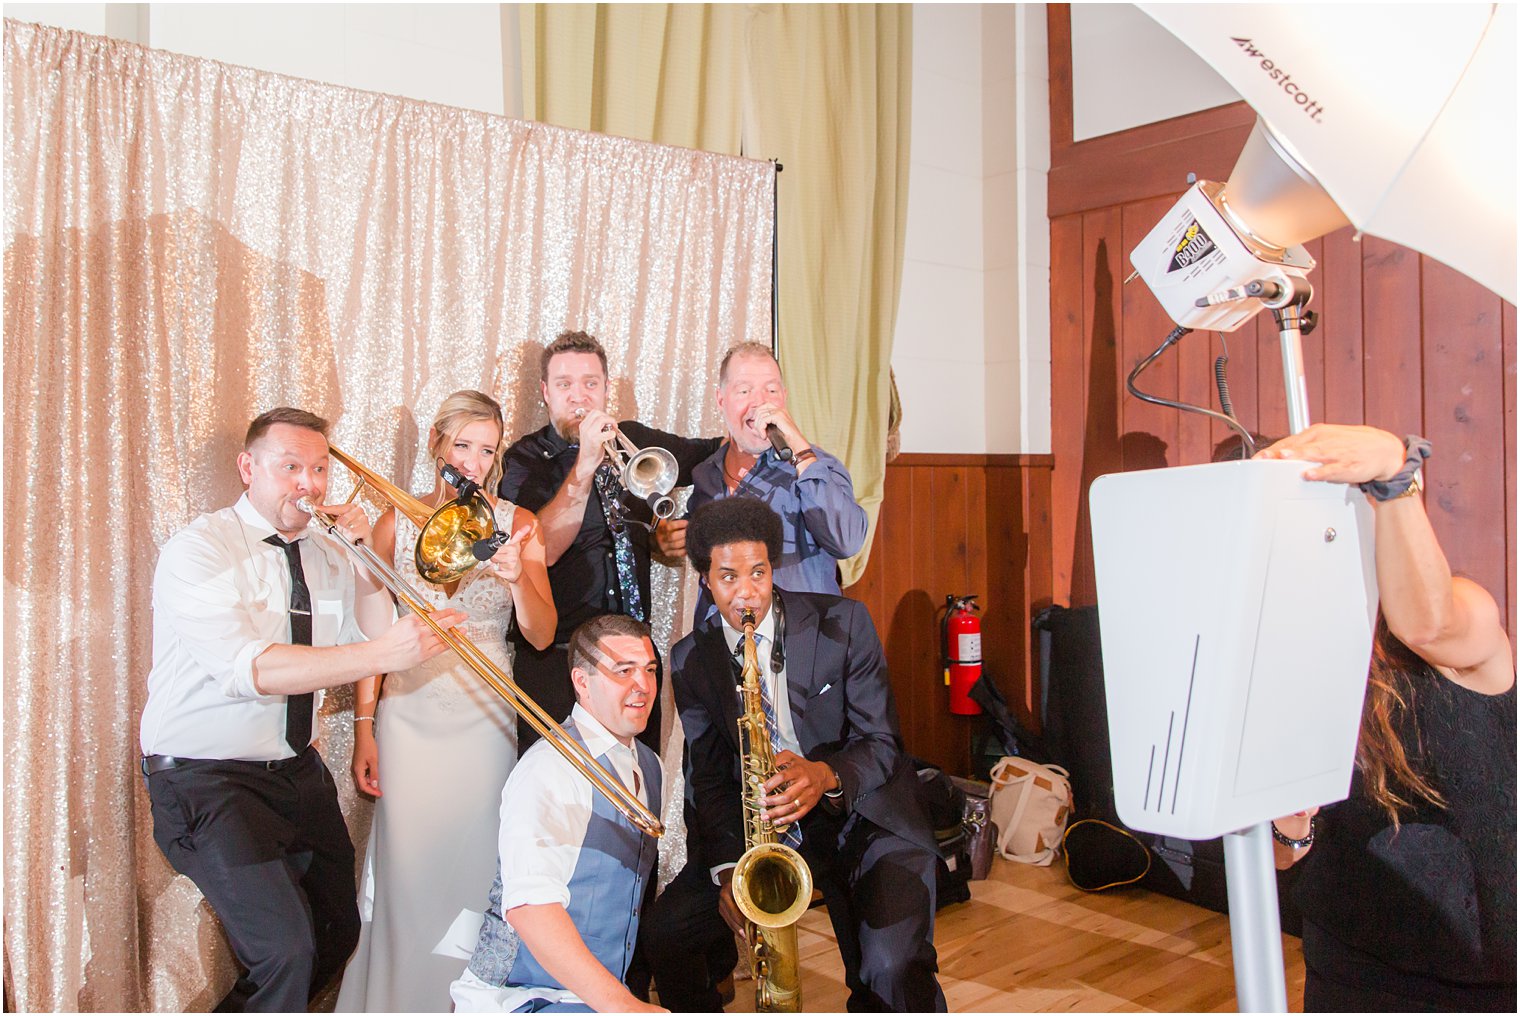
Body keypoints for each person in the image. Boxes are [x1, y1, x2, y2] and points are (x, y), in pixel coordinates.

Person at [139, 407, 465, 1012]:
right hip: (205, 778)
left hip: (294, 770)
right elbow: (253, 669)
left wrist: (366, 560)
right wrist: (380, 651)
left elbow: (371, 627)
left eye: (318, 469)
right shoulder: (199, 549)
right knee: (284, 952)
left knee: (337, 931)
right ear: (248, 468)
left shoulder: (322, 550)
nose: (308, 484)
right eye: (290, 466)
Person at [1259, 425, 1515, 1012]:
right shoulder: (1287, 651)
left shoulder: (1466, 613)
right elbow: (1283, 856)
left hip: (1483, 978)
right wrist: (1288, 823)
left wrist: (1394, 470)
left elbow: (1424, 622)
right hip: (1353, 967)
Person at [670, 497, 946, 1012]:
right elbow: (706, 778)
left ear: (774, 567)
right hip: (771, 831)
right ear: (706, 579)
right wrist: (732, 868)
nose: (747, 592)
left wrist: (823, 774)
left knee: (887, 966)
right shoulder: (690, 657)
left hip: (868, 814)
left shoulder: (843, 622)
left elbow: (883, 744)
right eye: (728, 577)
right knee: (669, 932)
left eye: (759, 572)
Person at [337, 391, 556, 1011]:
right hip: (408, 715)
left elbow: (541, 633)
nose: (475, 461)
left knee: (474, 864)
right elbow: (373, 634)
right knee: (408, 872)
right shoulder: (394, 521)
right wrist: (363, 728)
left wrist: (518, 583)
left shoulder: (519, 523)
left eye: (488, 450)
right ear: (438, 443)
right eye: (464, 445)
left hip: (485, 716)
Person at [499, 330, 720, 752]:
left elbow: (714, 455)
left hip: (635, 657)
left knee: (637, 789)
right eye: (564, 385)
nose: (579, 396)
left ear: (605, 388)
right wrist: (584, 463)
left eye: (590, 384)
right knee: (560, 798)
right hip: (557, 661)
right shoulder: (524, 459)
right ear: (545, 392)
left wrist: (685, 528)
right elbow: (537, 547)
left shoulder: (632, 440)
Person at [450, 614, 669, 1014]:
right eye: (624, 671)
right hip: (521, 996)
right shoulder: (549, 769)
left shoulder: (650, 765)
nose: (643, 686)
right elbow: (531, 912)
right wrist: (626, 1007)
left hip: (590, 996)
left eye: (650, 670)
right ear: (581, 683)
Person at [687, 341, 867, 621]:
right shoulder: (706, 476)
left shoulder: (818, 466)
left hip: (805, 641)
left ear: (783, 397)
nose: (760, 402)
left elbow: (846, 541)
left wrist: (800, 450)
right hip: (726, 645)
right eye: (744, 390)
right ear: (721, 399)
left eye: (770, 390)